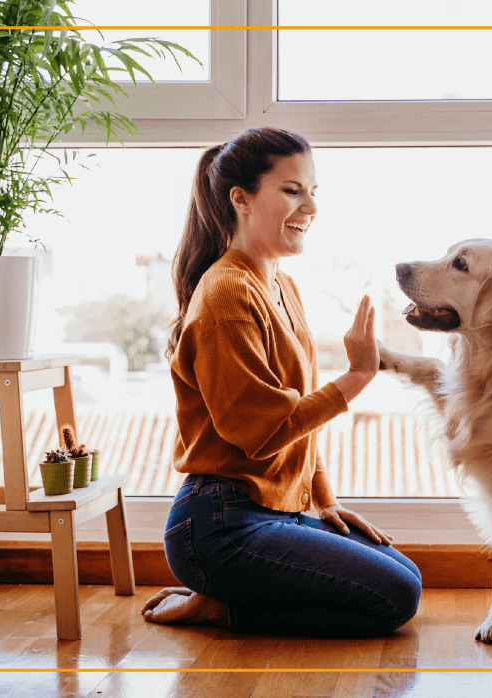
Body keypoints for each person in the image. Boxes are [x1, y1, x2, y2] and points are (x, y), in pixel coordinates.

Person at [141, 127, 422, 637]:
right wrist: (359, 375)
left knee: (406, 575)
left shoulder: (280, 284)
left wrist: (324, 500)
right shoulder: (226, 295)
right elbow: (264, 431)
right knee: (395, 598)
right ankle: (219, 607)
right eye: (292, 190)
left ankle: (226, 598)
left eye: (314, 191)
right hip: (219, 524)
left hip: (275, 511)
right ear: (241, 199)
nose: (310, 207)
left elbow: (297, 425)